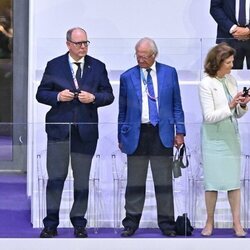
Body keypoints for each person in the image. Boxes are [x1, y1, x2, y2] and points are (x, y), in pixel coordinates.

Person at [36, 27, 114, 238]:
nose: (83, 47)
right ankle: (51, 224)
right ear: (68, 44)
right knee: (56, 178)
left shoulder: (97, 66)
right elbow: (41, 93)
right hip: (59, 131)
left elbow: (109, 95)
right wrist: (58, 96)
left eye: (86, 43)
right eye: (79, 43)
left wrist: (94, 98)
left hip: (85, 132)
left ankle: (79, 223)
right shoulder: (54, 65)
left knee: (82, 180)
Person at [118, 37, 186, 237]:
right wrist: (120, 135)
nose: (140, 60)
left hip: (161, 133)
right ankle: (130, 223)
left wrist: (179, 132)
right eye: (138, 56)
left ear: (154, 55)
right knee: (134, 182)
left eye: (144, 57)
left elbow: (177, 105)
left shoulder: (169, 73)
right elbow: (122, 111)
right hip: (136, 134)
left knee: (163, 181)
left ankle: (167, 223)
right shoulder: (127, 77)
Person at [199, 42, 249, 237]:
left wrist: (242, 105)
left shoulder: (231, 80)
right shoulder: (206, 84)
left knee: (233, 183)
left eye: (232, 61)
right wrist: (230, 105)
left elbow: (236, 114)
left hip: (231, 138)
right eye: (228, 62)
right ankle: (209, 222)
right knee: (211, 183)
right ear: (217, 63)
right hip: (213, 140)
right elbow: (209, 116)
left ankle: (237, 223)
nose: (232, 64)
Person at [210, 0, 250, 69]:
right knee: (228, 77)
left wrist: (249, 30)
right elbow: (215, 8)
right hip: (229, 37)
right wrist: (233, 28)